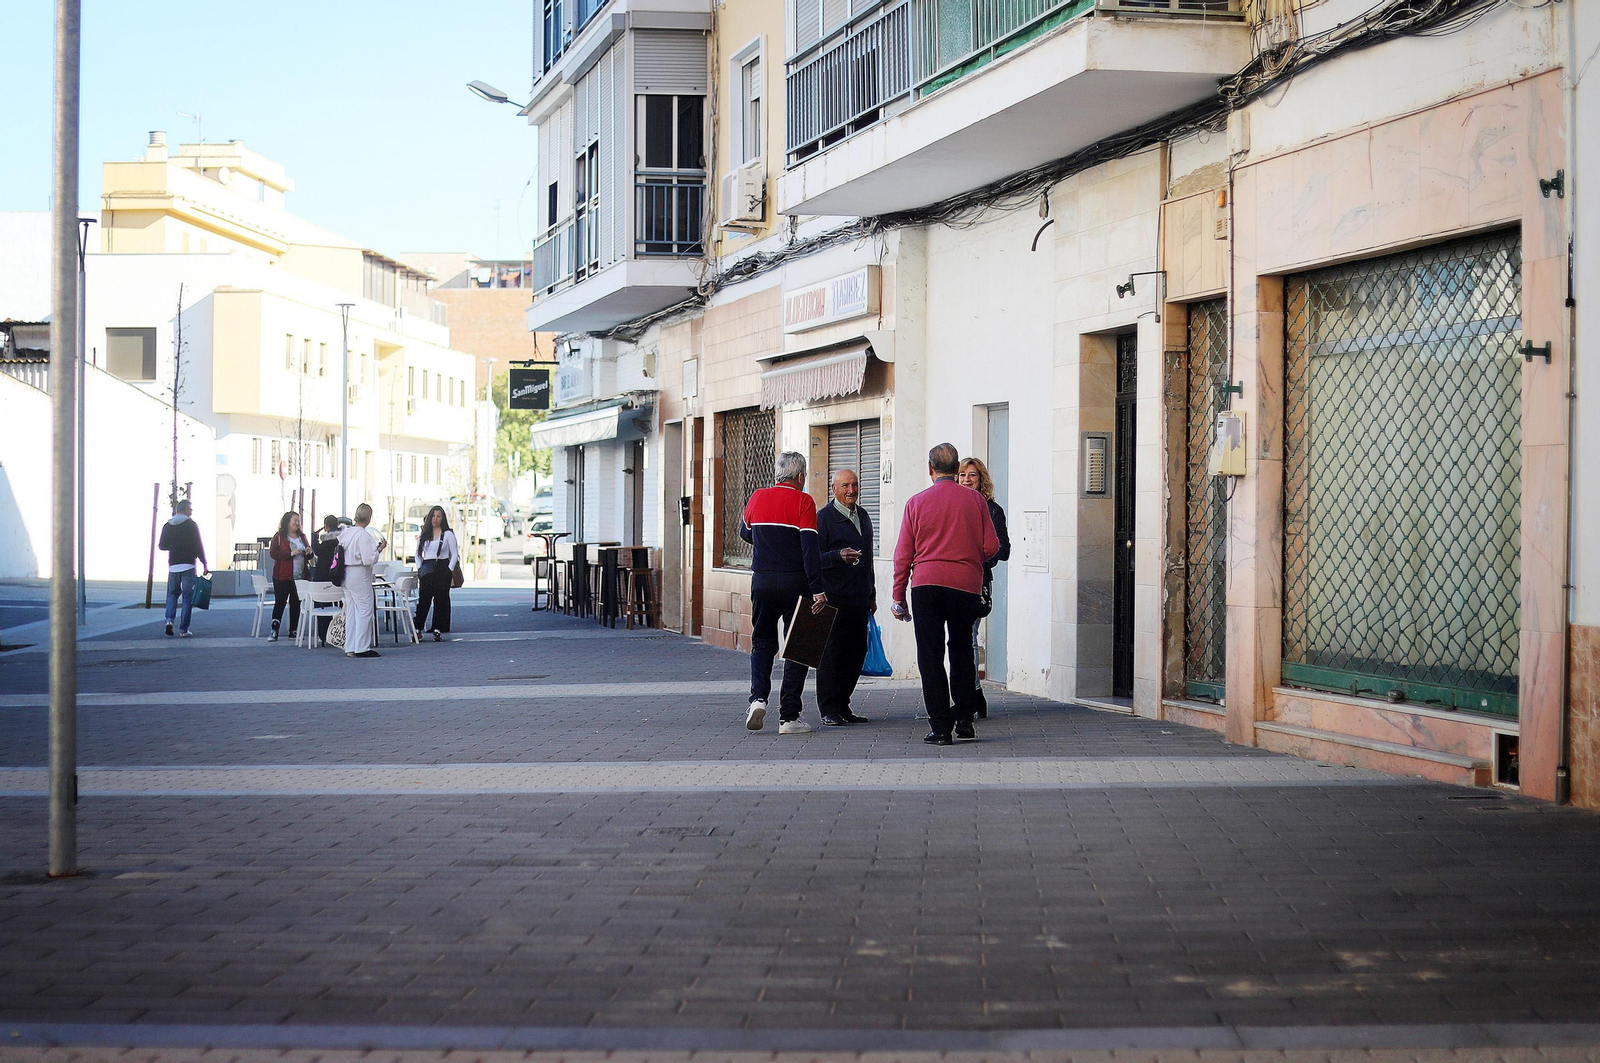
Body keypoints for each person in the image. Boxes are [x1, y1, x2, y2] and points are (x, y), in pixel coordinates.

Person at [890, 443, 999, 745]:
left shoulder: (916, 503)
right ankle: (964, 719)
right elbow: (992, 546)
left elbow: (903, 555)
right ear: (956, 469)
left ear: (931, 469)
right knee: (962, 649)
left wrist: (898, 596)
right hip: (965, 586)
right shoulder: (975, 501)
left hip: (926, 586)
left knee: (930, 655)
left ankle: (939, 727)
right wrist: (968, 558)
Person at [739, 451, 828, 734]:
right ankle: (789, 717)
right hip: (796, 583)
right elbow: (809, 549)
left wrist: (769, 543)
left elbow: (745, 533)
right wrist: (818, 589)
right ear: (800, 476)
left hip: (762, 581)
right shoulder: (804, 501)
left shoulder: (757, 497)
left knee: (762, 642)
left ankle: (757, 699)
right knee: (799, 646)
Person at [813, 468, 875, 726]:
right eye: (846, 486)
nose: (851, 490)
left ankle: (843, 705)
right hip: (833, 598)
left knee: (856, 652)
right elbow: (812, 558)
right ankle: (828, 708)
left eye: (855, 485)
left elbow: (868, 558)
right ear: (834, 489)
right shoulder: (823, 518)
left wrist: (872, 593)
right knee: (831, 655)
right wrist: (836, 556)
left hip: (859, 598)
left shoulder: (863, 515)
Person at [958, 457, 1011, 719]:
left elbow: (1003, 549)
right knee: (957, 638)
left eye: (972, 475)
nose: (967, 480)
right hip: (950, 580)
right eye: (962, 475)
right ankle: (971, 693)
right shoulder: (952, 506)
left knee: (968, 636)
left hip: (977, 581)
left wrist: (978, 560)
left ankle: (973, 693)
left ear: (982, 480)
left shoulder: (992, 510)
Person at [338, 503, 386, 658]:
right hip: (359, 573)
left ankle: (350, 645)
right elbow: (368, 559)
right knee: (365, 609)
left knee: (351, 609)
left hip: (345, 572)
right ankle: (362, 647)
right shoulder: (363, 535)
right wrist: (379, 549)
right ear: (369, 517)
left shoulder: (346, 532)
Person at [157, 499, 208, 637]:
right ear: (185, 510)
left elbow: (162, 545)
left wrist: (174, 546)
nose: (191, 512)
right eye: (190, 509)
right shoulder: (191, 525)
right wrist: (204, 563)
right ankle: (183, 630)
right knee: (187, 598)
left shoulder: (167, 525)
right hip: (188, 566)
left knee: (172, 594)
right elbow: (198, 545)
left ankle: (169, 621)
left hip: (173, 566)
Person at [413, 505, 460, 642]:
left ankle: (437, 629)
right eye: (433, 516)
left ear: (442, 518)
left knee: (441, 599)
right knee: (424, 599)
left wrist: (449, 569)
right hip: (427, 567)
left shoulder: (448, 534)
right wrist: (420, 567)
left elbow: (454, 553)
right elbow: (418, 553)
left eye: (438, 516)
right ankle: (418, 628)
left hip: (442, 567)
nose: (435, 519)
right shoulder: (424, 534)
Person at [266, 511, 309, 643]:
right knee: (280, 602)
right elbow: (273, 553)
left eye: (298, 521)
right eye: (294, 521)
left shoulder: (302, 537)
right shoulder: (279, 537)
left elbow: (309, 552)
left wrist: (309, 552)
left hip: (299, 576)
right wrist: (290, 553)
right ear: (287, 522)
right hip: (282, 576)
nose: (297, 523)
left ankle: (293, 630)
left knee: (296, 603)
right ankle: (274, 630)